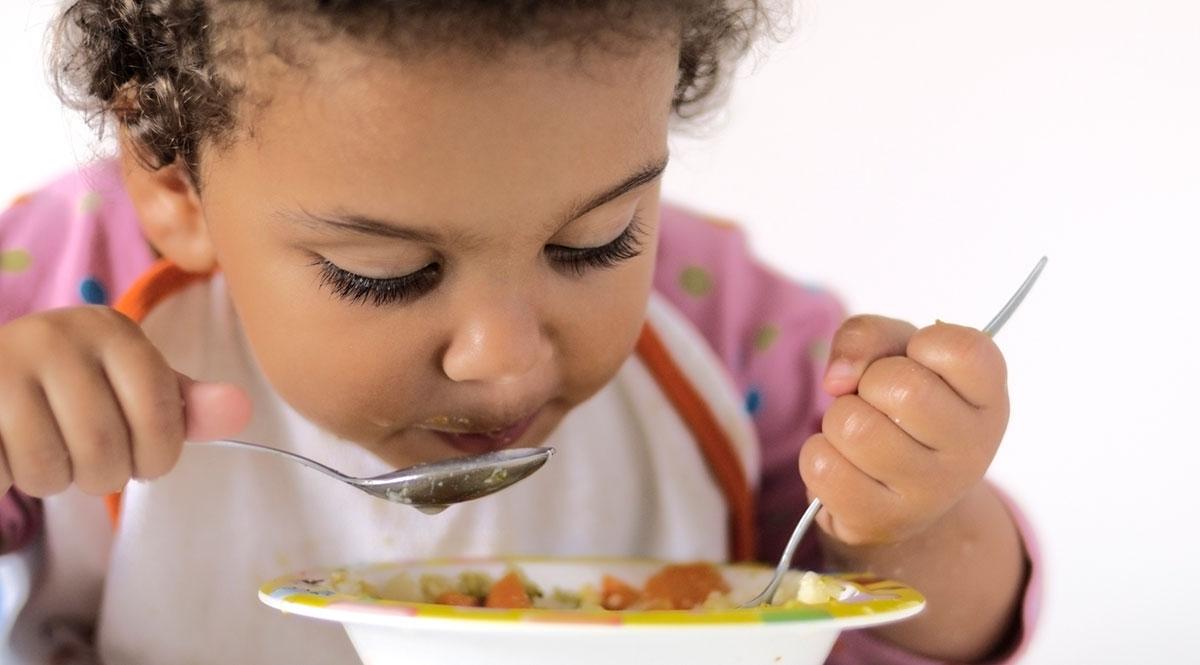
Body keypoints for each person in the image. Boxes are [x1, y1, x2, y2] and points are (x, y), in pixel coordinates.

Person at [0, 1, 1037, 663]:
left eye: (594, 242)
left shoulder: (725, 323)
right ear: (177, 180)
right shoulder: (65, 276)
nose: (503, 357)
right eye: (387, 272)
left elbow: (911, 638)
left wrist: (902, 520)